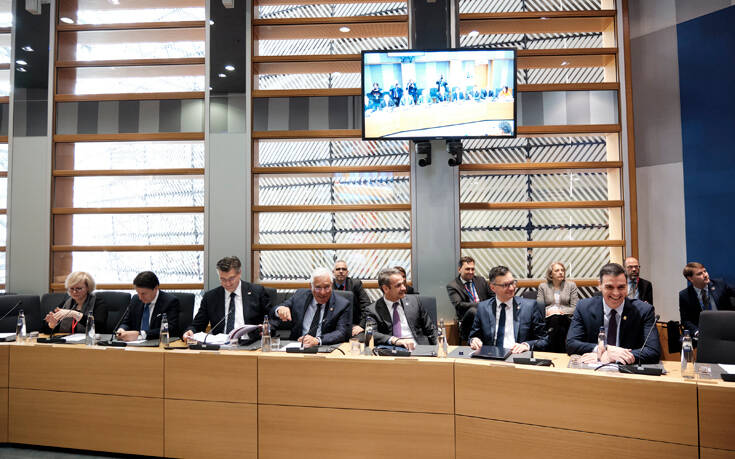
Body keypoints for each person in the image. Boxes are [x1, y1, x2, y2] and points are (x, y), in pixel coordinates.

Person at [567, 263, 660, 364]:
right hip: (592, 368)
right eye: (609, 287)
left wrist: (614, 357)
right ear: (600, 285)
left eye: (621, 287)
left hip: (628, 370)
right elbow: (571, 344)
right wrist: (602, 350)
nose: (616, 293)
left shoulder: (644, 311)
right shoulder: (583, 307)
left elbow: (653, 351)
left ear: (627, 286)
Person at [182, 256, 270, 341]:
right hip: (221, 345)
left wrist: (266, 328)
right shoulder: (210, 297)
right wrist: (190, 331)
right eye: (223, 279)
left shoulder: (257, 292)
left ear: (239, 273)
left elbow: (272, 319)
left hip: (251, 343)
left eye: (231, 278)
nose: (227, 284)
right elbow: (197, 325)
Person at [469, 266, 548, 354]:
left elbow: (544, 340)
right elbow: (473, 336)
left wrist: (526, 345)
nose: (511, 288)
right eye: (505, 285)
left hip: (517, 355)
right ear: (492, 287)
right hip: (490, 356)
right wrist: (474, 340)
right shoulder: (483, 307)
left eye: (513, 283)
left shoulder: (530, 307)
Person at [272, 267, 351, 348]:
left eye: (327, 287)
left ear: (332, 285)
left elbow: (341, 332)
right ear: (311, 286)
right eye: (318, 287)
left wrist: (317, 340)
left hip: (324, 348)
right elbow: (274, 311)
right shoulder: (300, 295)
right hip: (297, 346)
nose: (323, 292)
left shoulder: (342, 304)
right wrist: (280, 309)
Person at [363, 267, 437, 349]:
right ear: (385, 288)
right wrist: (395, 340)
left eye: (403, 284)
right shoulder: (373, 310)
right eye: (398, 285)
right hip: (392, 350)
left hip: (419, 348)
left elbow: (431, 329)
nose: (404, 288)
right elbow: (371, 333)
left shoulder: (415, 301)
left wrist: (440, 346)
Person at [116, 271, 180, 341]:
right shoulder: (135, 299)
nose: (140, 297)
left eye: (143, 293)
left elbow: (171, 328)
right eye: (138, 293)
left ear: (155, 288)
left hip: (157, 343)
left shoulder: (170, 301)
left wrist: (142, 334)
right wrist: (122, 330)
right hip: (134, 344)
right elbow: (127, 322)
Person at [679, 262, 735, 336]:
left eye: (705, 271)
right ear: (690, 278)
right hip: (703, 333)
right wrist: (697, 332)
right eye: (699, 274)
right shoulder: (685, 295)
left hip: (726, 328)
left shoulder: (720, 284)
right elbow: (685, 320)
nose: (705, 275)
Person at [43, 271, 107, 334]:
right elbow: (44, 330)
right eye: (71, 288)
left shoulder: (98, 303)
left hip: (89, 340)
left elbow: (99, 327)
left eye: (78, 288)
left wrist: (75, 314)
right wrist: (52, 325)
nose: (74, 292)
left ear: (88, 288)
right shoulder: (66, 303)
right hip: (67, 340)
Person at [446, 256, 492, 342]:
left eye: (472, 269)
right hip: (467, 319)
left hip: (486, 314)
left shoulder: (481, 280)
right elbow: (459, 305)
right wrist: (481, 305)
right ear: (459, 269)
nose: (471, 272)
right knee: (473, 311)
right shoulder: (453, 286)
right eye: (467, 269)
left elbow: (492, 296)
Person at [332, 260, 371, 337]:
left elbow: (367, 306)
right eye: (338, 269)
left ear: (347, 272)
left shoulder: (355, 284)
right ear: (333, 272)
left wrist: (361, 325)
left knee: (360, 341)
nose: (341, 271)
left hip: (353, 325)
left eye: (344, 269)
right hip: (334, 326)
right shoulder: (328, 286)